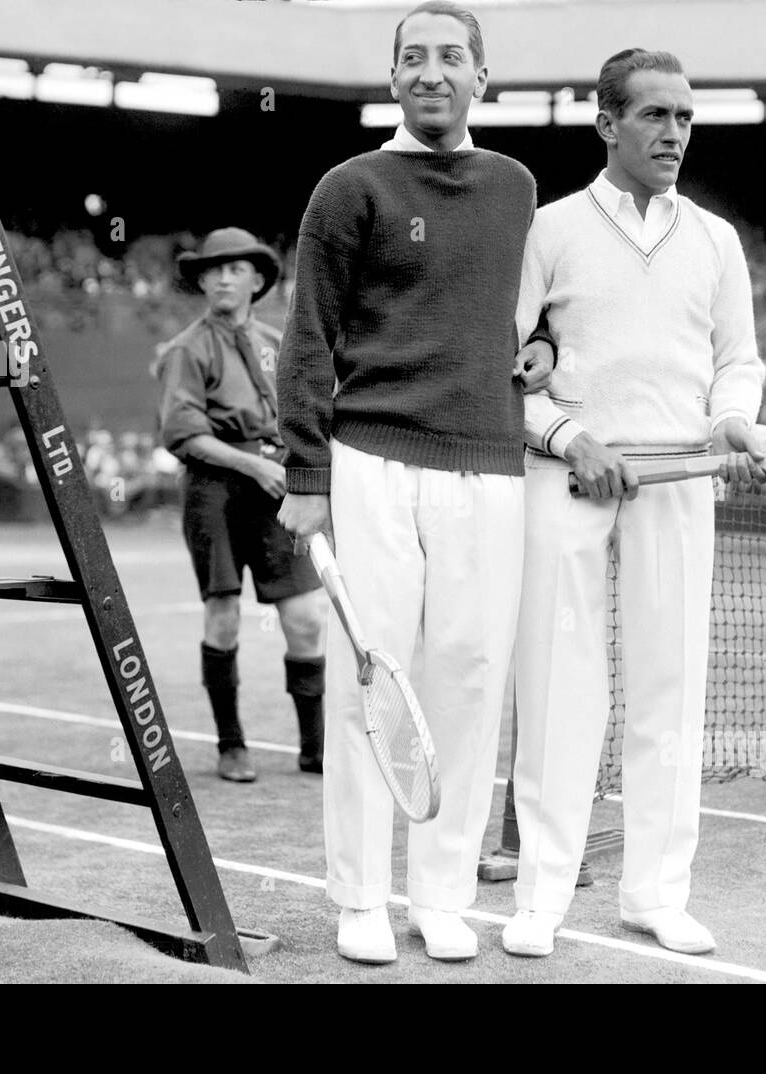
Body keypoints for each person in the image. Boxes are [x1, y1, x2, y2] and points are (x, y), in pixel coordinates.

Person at [276, 1, 552, 965]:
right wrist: (306, 473)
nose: (432, 72)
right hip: (371, 462)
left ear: (483, 75)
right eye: (413, 58)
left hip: (491, 466)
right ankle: (359, 898)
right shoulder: (348, 187)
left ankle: (442, 895)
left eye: (451, 57)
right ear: (393, 78)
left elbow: (534, 314)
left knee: (471, 681)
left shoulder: (518, 188)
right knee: (373, 686)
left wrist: (546, 346)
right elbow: (308, 335)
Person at [502, 48, 766, 959]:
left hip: (682, 479)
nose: (674, 133)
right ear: (608, 124)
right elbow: (507, 366)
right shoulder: (547, 229)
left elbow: (739, 360)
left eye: (686, 118)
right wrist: (572, 440)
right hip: (568, 478)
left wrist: (732, 421)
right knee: (559, 688)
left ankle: (656, 893)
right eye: (655, 116)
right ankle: (540, 897)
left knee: (670, 687)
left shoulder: (716, 241)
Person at [155, 227, 327, 783]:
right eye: (214, 269)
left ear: (257, 281)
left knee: (304, 617)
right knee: (223, 614)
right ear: (202, 281)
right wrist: (254, 465)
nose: (225, 277)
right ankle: (232, 745)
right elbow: (182, 434)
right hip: (216, 489)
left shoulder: (277, 343)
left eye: (237, 269)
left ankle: (315, 747)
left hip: (277, 485)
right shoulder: (187, 349)